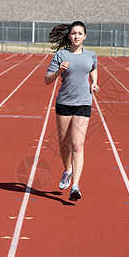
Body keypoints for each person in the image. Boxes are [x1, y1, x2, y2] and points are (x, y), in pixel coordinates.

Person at [45, 21, 99, 201]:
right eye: (73, 33)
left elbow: (93, 69)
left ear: (85, 36)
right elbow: (47, 80)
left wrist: (94, 83)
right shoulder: (61, 55)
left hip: (84, 102)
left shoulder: (91, 55)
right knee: (63, 143)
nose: (76, 36)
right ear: (69, 36)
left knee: (77, 145)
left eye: (80, 33)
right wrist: (59, 70)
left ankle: (75, 186)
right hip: (64, 103)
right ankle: (67, 170)